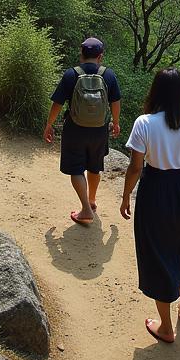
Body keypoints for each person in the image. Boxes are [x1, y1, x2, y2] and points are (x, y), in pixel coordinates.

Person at [120, 68, 180, 344]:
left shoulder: (144, 123)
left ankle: (167, 328)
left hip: (154, 191)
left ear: (154, 92)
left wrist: (125, 197)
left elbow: (136, 167)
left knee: (157, 253)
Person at [43, 37, 121, 226]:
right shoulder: (108, 75)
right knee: (95, 166)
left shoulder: (71, 74)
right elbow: (116, 102)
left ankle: (85, 208)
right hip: (99, 130)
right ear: (100, 56)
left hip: (75, 129)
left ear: (81, 54)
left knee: (76, 168)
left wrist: (49, 124)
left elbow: (58, 103)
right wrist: (116, 123)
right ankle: (91, 201)